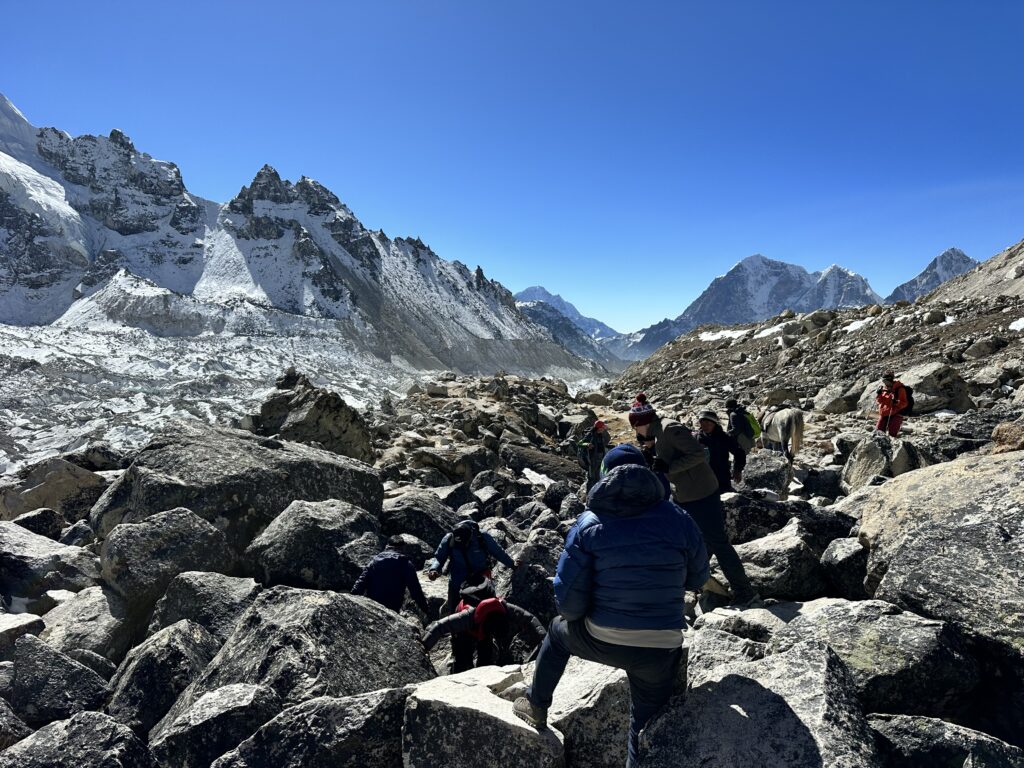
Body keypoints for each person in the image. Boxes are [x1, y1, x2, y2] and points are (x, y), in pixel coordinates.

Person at [512, 445, 709, 767]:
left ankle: (536, 705)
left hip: (603, 636)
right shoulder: (679, 518)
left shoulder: (590, 522)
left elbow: (569, 599)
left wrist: (581, 619)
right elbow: (698, 576)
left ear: (605, 477)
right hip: (661, 645)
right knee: (642, 727)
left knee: (557, 632)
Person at [629, 394, 758, 607]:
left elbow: (697, 453)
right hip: (686, 494)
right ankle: (696, 581)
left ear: (641, 423)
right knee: (691, 538)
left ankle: (744, 590)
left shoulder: (669, 428)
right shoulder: (659, 432)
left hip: (701, 494)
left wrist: (669, 467)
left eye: (635, 427)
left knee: (717, 542)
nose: (636, 432)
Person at [421, 576, 546, 673]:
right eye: (491, 634)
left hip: (482, 630)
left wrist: (544, 638)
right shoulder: (466, 617)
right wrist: (424, 646)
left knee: (485, 659)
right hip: (464, 633)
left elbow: (529, 619)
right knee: (462, 660)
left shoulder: (504, 607)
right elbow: (439, 626)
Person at [428, 519, 516, 615]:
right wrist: (434, 569)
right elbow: (439, 557)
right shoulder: (449, 539)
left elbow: (498, 552)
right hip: (458, 581)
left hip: (481, 580)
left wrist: (512, 564)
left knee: (487, 608)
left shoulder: (481, 537)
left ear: (470, 536)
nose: (463, 546)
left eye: (465, 543)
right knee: (454, 609)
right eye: (459, 545)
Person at [351, 535, 430, 615]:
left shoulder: (375, 561)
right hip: (392, 610)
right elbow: (416, 591)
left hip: (373, 607)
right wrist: (426, 610)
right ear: (403, 548)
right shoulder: (406, 564)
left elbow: (360, 583)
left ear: (387, 546)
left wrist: (350, 602)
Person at [696, 410, 746, 494]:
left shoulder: (724, 437)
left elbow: (739, 453)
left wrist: (737, 469)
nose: (705, 426)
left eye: (708, 423)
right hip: (702, 476)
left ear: (714, 423)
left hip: (721, 476)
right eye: (703, 423)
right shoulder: (697, 438)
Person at [577, 420, 612, 490]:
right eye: (603, 427)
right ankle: (590, 490)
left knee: (599, 475)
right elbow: (579, 443)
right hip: (593, 458)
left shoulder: (600, 434)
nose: (604, 429)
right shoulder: (590, 435)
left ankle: (599, 489)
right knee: (592, 476)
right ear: (599, 428)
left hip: (601, 457)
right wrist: (587, 444)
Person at [875, 370, 909, 437]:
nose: (884, 383)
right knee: (878, 432)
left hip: (896, 414)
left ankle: (891, 446)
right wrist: (879, 395)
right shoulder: (884, 388)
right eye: (883, 381)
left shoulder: (900, 389)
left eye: (885, 381)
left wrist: (896, 402)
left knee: (892, 434)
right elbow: (880, 401)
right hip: (884, 413)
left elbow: (904, 403)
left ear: (890, 380)